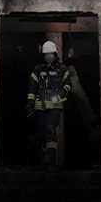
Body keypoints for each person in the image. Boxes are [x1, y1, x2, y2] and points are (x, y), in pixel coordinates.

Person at [26, 40, 72, 168]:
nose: (47, 57)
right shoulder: (37, 69)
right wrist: (30, 104)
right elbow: (32, 87)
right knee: (40, 135)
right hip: (40, 108)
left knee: (51, 133)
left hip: (55, 108)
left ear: (55, 54)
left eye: (50, 54)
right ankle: (41, 164)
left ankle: (50, 162)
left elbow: (68, 85)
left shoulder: (62, 69)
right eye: (45, 54)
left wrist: (60, 95)